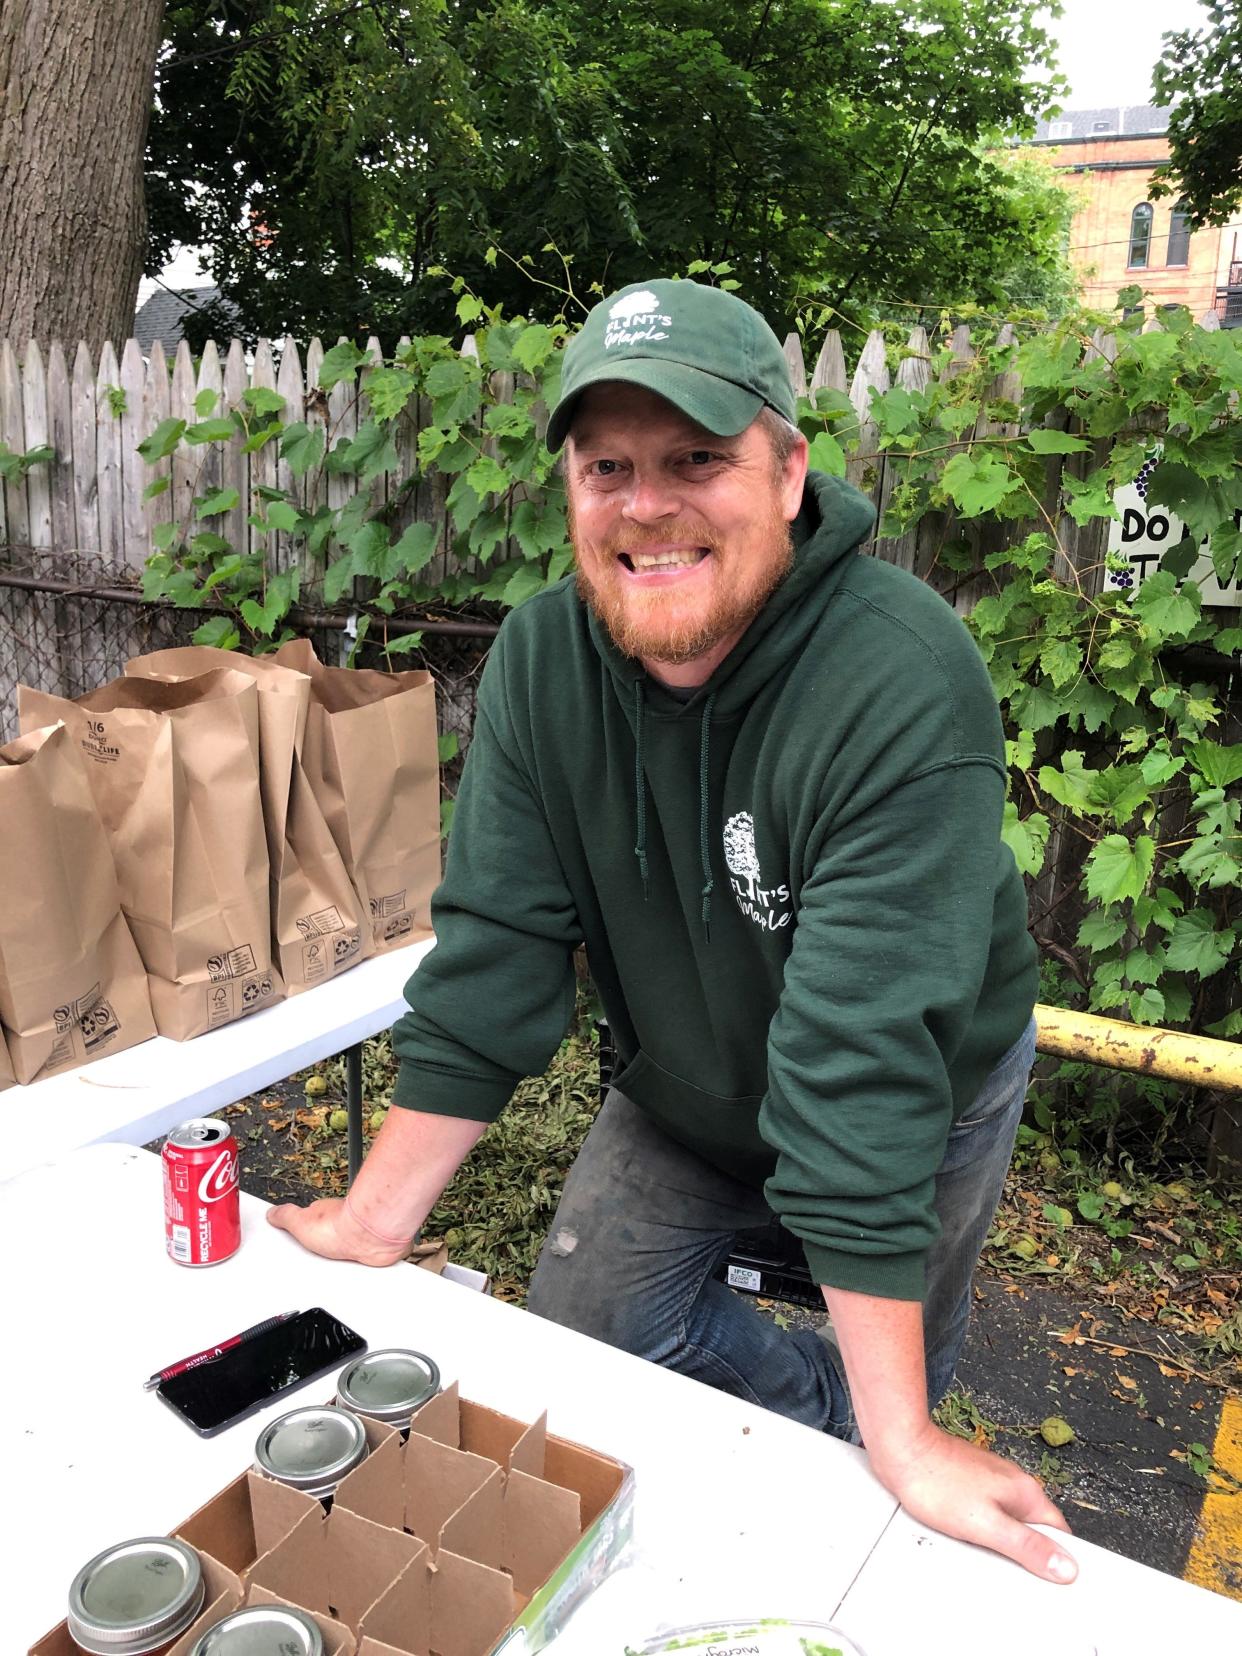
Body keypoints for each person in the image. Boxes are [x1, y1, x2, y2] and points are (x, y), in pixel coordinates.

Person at [270, 278, 1077, 1584]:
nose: (645, 504)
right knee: (591, 1329)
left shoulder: (899, 675)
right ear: (575, 490)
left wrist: (908, 1438)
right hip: (685, 1081)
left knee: (898, 1429)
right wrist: (371, 1224)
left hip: (922, 1085)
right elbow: (494, 961)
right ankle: (822, 1407)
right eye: (608, 468)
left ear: (789, 469)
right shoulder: (541, 662)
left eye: (694, 459)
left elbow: (861, 1063)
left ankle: (875, 1432)